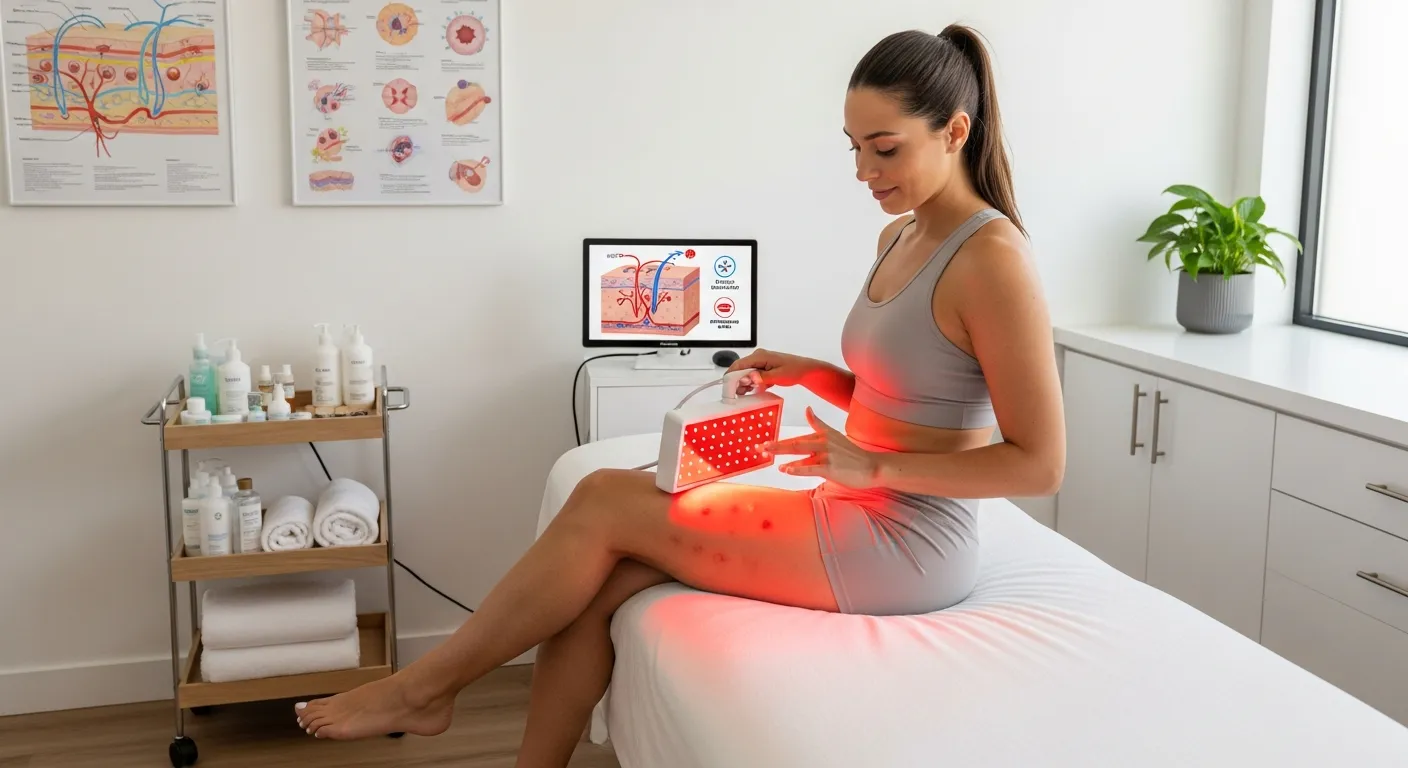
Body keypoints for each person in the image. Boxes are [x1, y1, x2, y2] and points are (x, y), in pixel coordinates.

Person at [292, 23, 1065, 766]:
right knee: (597, 584)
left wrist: (876, 468)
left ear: (955, 132)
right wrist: (812, 372)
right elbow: (914, 395)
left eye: (885, 148)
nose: (865, 171)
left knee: (603, 496)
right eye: (854, 148)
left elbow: (1038, 464)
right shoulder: (898, 235)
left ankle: (425, 689)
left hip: (907, 548)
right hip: (852, 508)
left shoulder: (992, 258)